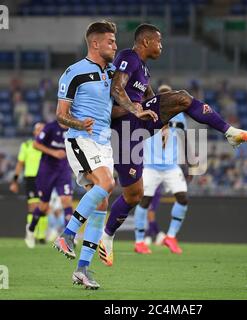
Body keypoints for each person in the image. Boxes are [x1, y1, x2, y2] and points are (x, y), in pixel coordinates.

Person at [98, 23, 247, 266]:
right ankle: (106, 237)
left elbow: (151, 101)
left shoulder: (143, 70)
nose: (161, 46)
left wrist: (160, 113)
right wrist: (137, 109)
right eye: (158, 41)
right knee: (134, 195)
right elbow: (116, 88)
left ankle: (230, 132)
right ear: (145, 42)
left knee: (182, 98)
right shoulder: (128, 57)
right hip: (122, 131)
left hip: (138, 125)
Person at [53, 20, 155, 289]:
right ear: (95, 43)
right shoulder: (74, 73)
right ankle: (67, 234)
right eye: (110, 41)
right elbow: (60, 115)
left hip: (104, 143)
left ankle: (83, 270)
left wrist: (138, 110)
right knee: (107, 184)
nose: (115, 45)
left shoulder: (112, 73)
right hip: (81, 140)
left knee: (101, 203)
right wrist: (79, 123)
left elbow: (122, 96)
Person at [134, 84, 191, 254]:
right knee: (144, 201)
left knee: (183, 198)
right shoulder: (149, 111)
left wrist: (189, 163)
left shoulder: (180, 117)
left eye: (170, 94)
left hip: (171, 166)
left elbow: (183, 138)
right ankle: (139, 241)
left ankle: (171, 236)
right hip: (150, 165)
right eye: (164, 95)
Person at [24, 120, 73, 249]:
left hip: (63, 170)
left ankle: (69, 237)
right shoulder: (50, 127)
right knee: (44, 206)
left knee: (67, 201)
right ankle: (31, 228)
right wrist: (54, 153)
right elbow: (36, 144)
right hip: (47, 170)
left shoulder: (73, 128)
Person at [9, 122, 47, 243]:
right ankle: (32, 234)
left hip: (45, 178)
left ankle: (41, 236)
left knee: (44, 207)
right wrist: (14, 181)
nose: (40, 132)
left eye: (43, 130)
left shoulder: (49, 147)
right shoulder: (26, 145)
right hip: (31, 178)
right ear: (34, 132)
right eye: (38, 129)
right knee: (33, 206)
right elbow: (20, 163)